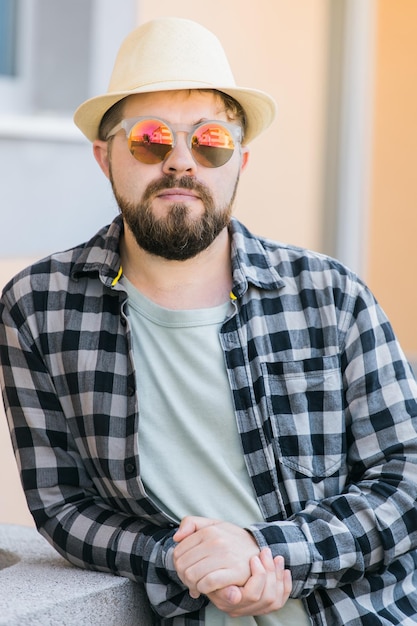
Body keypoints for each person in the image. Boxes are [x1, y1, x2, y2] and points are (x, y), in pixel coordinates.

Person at [1, 16, 417, 626]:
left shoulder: (332, 295)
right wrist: (182, 558)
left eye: (210, 140)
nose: (180, 161)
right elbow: (63, 508)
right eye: (150, 138)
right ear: (104, 157)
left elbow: (407, 479)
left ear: (239, 161)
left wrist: (268, 553)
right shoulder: (37, 308)